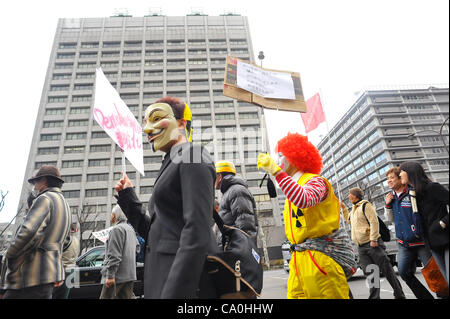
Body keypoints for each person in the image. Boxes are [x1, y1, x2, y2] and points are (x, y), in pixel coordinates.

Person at [114, 96, 218, 299]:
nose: (147, 129)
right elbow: (156, 235)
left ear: (181, 122)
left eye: (156, 118)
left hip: (182, 287)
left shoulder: (192, 154)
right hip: (161, 280)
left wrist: (175, 292)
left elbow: (197, 229)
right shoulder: (171, 163)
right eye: (145, 122)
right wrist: (128, 198)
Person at [257, 133, 356, 299]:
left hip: (320, 258)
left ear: (296, 157)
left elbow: (304, 199)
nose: (278, 160)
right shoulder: (292, 187)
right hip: (299, 259)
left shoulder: (316, 181)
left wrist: (276, 172)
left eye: (282, 155)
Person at [0, 165, 71, 299]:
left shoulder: (44, 199)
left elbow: (28, 232)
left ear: (43, 181)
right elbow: (66, 240)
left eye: (35, 182)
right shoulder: (64, 204)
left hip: (31, 275)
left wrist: (9, 254)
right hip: (50, 274)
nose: (35, 187)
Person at [341, 187, 406, 299]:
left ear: (355, 195)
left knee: (387, 271)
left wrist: (374, 239)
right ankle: (375, 297)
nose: (348, 196)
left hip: (372, 244)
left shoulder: (366, 205)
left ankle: (399, 294)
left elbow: (374, 221)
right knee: (371, 273)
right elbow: (349, 220)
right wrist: (343, 208)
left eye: (349, 194)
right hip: (361, 247)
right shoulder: (354, 209)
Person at [384, 167, 434, 299]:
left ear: (401, 179)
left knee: (433, 272)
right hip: (403, 243)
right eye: (387, 179)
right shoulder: (391, 196)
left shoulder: (413, 193)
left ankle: (443, 294)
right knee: (404, 272)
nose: (389, 181)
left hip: (421, 241)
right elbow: (390, 219)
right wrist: (387, 205)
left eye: (392, 178)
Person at [399, 161, 449, 285]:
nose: (399, 174)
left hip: (446, 238)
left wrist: (443, 222)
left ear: (410, 172)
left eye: (401, 171)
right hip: (432, 243)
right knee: (446, 280)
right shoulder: (414, 194)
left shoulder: (432, 187)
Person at [214, 160, 258, 245]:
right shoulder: (229, 192)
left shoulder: (236, 191)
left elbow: (245, 226)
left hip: (235, 252)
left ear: (219, 176)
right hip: (230, 251)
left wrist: (239, 252)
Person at [100, 205, 139, 299]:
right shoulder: (130, 229)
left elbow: (114, 255)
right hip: (129, 275)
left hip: (116, 276)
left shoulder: (116, 230)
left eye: (111, 213)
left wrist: (110, 275)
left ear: (115, 215)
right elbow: (137, 250)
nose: (110, 216)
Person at [53, 222, 80, 299]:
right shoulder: (76, 240)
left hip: (63, 270)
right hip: (72, 270)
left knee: (55, 294)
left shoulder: (65, 239)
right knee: (65, 295)